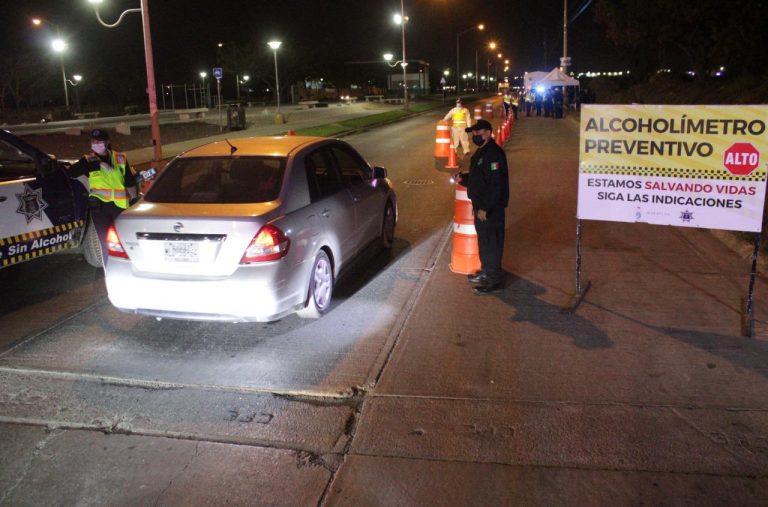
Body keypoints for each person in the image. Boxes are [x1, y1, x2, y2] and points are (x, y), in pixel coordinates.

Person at [68, 128, 138, 266]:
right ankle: (110, 269)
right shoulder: (88, 160)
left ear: (107, 142)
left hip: (120, 207)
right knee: (106, 243)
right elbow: (72, 171)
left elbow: (130, 181)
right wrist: (99, 164)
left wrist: (134, 199)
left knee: (123, 241)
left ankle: (127, 267)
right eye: (94, 141)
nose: (96, 144)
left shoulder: (120, 158)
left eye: (99, 141)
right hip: (99, 208)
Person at [460, 119, 509, 295]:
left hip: (490, 210)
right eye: (473, 133)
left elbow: (496, 184)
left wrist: (485, 208)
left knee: (491, 243)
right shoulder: (482, 152)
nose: (475, 136)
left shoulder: (494, 154)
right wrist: (463, 179)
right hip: (481, 207)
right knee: (484, 241)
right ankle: (487, 270)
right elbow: (479, 179)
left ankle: (493, 280)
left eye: (478, 132)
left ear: (488, 133)